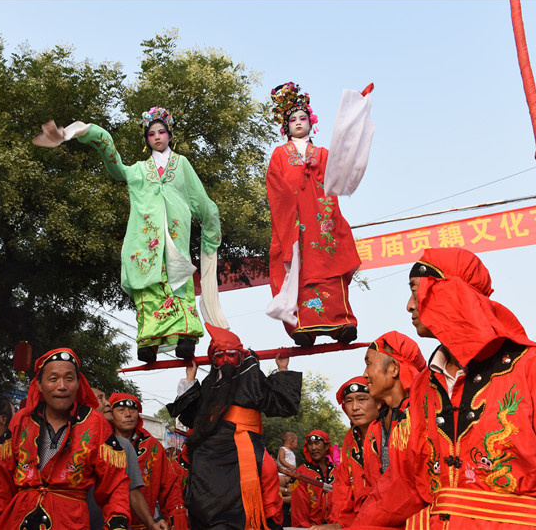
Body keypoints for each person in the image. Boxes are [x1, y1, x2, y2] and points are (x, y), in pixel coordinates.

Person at [354, 247, 536, 528]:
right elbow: (401, 485)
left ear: (448, 292)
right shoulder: (424, 386)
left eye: (415, 290)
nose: (409, 305)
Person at [32, 108, 224, 362]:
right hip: (146, 240)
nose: (157, 137)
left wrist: (212, 228)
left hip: (176, 239)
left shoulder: (182, 164)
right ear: (146, 139)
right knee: (149, 285)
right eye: (151, 133)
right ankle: (149, 341)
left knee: (178, 281)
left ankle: (186, 338)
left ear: (170, 135)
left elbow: (201, 199)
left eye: (162, 132)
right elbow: (116, 168)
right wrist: (82, 131)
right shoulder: (138, 170)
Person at [166, 322, 301, 530]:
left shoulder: (252, 376)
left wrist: (282, 369)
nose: (226, 359)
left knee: (268, 470)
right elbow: (190, 417)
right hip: (212, 448)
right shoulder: (209, 384)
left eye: (231, 354)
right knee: (199, 478)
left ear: (240, 356)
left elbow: (281, 405)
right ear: (214, 360)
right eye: (220, 356)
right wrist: (190, 380)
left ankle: (268, 520)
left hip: (247, 443)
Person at [265, 82, 370, 346]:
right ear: (285, 126)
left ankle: (342, 323)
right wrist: (297, 194)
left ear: (312, 123)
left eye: (303, 118)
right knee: (299, 269)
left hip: (322, 222)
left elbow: (342, 166)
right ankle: (304, 326)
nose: (298, 122)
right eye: (292, 119)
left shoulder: (323, 154)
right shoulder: (280, 155)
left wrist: (356, 116)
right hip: (296, 224)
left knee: (330, 266)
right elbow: (276, 189)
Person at [0, 348, 130, 530]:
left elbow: (115, 484)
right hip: (19, 521)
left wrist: (117, 523)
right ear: (40, 385)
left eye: (69, 378)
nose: (62, 386)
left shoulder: (94, 422)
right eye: (53, 379)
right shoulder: (22, 420)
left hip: (71, 521)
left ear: (78, 383)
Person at [89, 388, 166, 530]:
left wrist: (152, 523)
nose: (107, 404)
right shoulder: (71, 440)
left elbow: (134, 492)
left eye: (132, 410)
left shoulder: (129, 446)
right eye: (101, 398)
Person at [109, 392, 186, 530]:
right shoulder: (103, 444)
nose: (128, 414)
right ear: (111, 414)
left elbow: (170, 487)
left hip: (146, 525)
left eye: (133, 410)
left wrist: (172, 519)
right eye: (121, 410)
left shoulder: (152, 446)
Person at [360, 330, 426, 486]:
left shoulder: (422, 416)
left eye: (369, 364)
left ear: (394, 369)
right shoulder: (375, 427)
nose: (364, 374)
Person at [326, 377, 379, 527]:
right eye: (349, 401)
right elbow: (343, 487)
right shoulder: (350, 438)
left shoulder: (391, 432)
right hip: (359, 521)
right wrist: (339, 523)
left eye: (362, 399)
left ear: (378, 402)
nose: (355, 407)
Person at [291, 430, 335, 527]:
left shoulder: (339, 471)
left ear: (327, 446)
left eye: (317, 443)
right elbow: (299, 510)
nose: (313, 448)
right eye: (310, 444)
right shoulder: (301, 473)